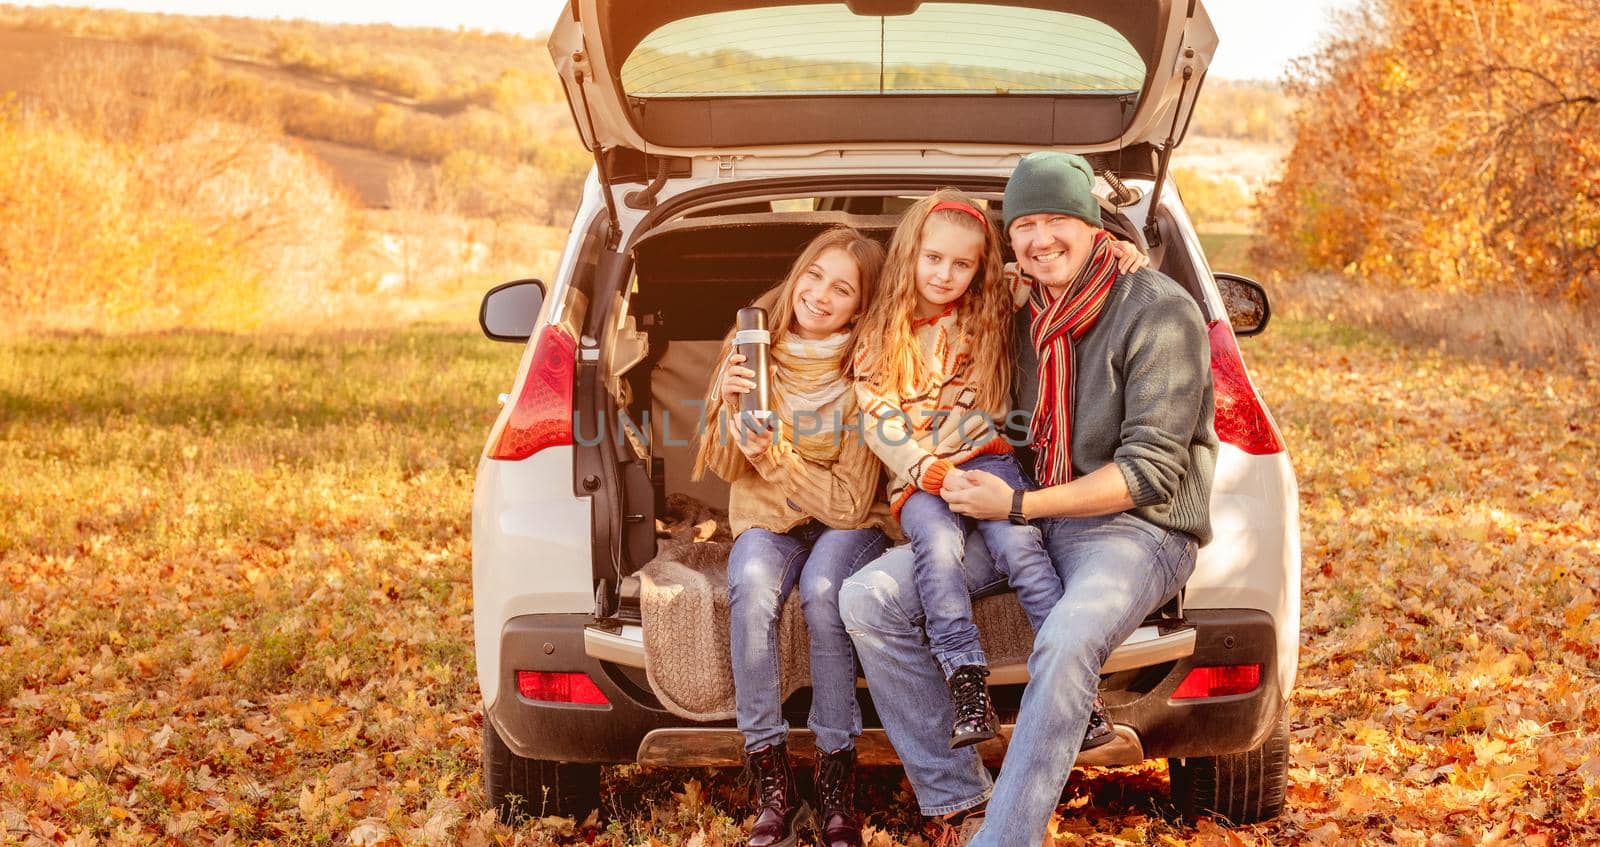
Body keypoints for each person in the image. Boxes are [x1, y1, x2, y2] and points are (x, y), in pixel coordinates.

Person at [838, 153, 1218, 846]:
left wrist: (1017, 509)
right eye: (1027, 225)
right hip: (1025, 510)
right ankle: (961, 801)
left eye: (1059, 220)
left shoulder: (1159, 311)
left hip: (1135, 529)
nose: (1042, 238)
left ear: (1093, 224)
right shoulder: (1013, 306)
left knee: (1070, 636)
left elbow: (1150, 474)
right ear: (1009, 241)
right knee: (868, 600)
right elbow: (913, 329)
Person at [693, 226, 896, 847]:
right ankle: (773, 779)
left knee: (824, 588)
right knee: (752, 585)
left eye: (842, 289)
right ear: (797, 273)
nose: (820, 294)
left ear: (860, 306)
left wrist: (778, 459)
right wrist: (728, 412)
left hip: (846, 525)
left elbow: (849, 501)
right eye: (814, 275)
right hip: (768, 523)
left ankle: (836, 781)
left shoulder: (871, 367)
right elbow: (727, 469)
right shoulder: (748, 347)